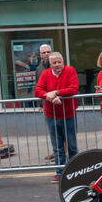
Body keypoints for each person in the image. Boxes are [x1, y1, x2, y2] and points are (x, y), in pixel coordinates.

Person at [34, 52, 79, 183]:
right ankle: (60, 172)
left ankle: (74, 171)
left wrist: (57, 92)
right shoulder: (45, 74)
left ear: (63, 62)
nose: (57, 65)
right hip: (52, 115)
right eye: (54, 63)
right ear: (50, 64)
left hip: (69, 114)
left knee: (71, 146)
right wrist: (49, 96)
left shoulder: (70, 71)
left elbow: (74, 89)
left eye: (59, 62)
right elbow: (38, 90)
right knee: (57, 147)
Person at [35, 44, 55, 161]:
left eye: (48, 52)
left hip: (58, 101)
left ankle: (62, 152)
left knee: (61, 130)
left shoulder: (57, 65)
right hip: (46, 103)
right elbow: (38, 87)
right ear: (40, 55)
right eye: (44, 52)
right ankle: (55, 151)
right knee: (52, 129)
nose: (46, 54)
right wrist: (40, 104)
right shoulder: (38, 69)